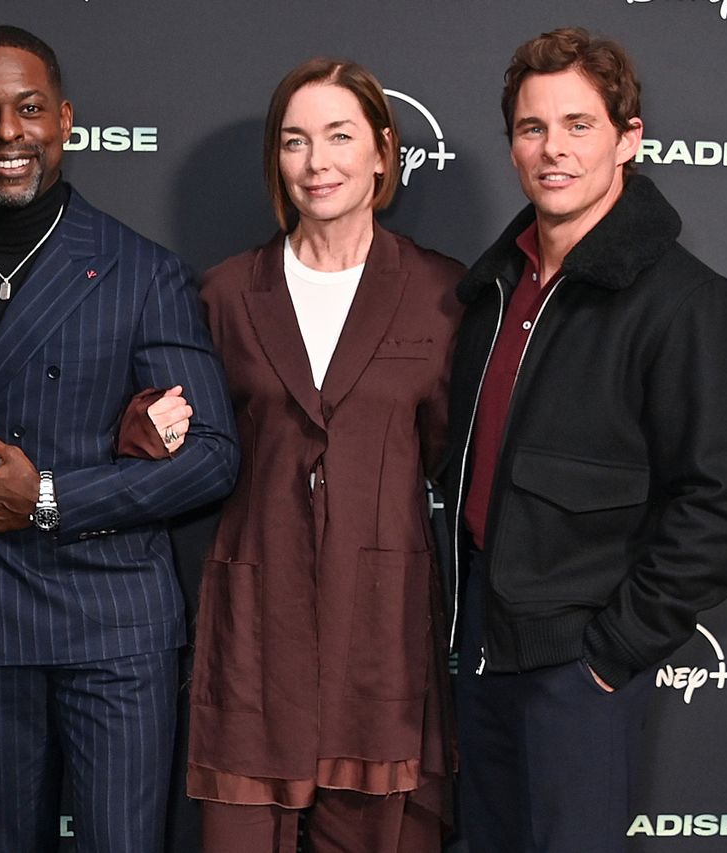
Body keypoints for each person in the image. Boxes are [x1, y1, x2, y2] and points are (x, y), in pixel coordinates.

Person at [0, 24, 239, 853]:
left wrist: (48, 497)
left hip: (112, 621)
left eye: (29, 108)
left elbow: (213, 454)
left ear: (65, 121)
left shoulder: (140, 270)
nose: (8, 132)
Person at [442, 27, 727, 853]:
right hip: (478, 645)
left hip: (578, 667)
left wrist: (609, 653)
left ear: (628, 140)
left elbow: (720, 503)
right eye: (532, 127)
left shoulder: (693, 304)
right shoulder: (494, 291)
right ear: (513, 144)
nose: (552, 148)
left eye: (578, 124)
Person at [184, 58, 463, 852]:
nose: (317, 162)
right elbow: (190, 446)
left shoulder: (441, 293)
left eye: (339, 136)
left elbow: (450, 452)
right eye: (295, 141)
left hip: (382, 634)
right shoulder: (225, 293)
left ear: (382, 151)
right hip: (254, 624)